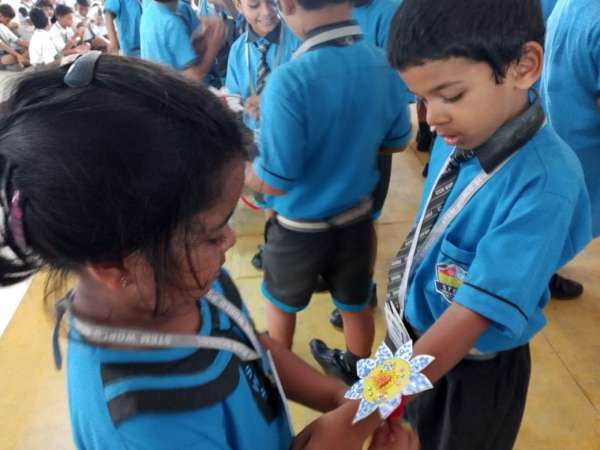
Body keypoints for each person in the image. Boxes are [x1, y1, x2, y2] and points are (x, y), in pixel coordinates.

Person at [0, 52, 417, 450]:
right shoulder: (142, 428)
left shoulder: (183, 278)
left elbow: (251, 347)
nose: (231, 242)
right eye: (213, 233)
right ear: (115, 263)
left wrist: (339, 398)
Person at [374, 0, 591, 448]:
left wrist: (369, 408)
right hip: (417, 344)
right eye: (421, 98)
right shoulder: (463, 135)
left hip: (474, 371)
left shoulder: (545, 184)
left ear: (524, 66)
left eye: (450, 96)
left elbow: (472, 314)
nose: (431, 117)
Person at [245, 0, 412, 386]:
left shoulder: (288, 80)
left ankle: (280, 374)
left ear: (286, 4)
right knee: (355, 304)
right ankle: (355, 368)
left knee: (282, 304)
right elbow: (397, 142)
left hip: (297, 229)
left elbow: (275, 181)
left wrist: (241, 168)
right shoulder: (382, 64)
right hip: (356, 220)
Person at [327, 0, 404, 329]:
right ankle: (342, 280)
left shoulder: (391, 11)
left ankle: (363, 286)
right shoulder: (328, 10)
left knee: (363, 220)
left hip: (370, 142)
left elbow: (397, 81)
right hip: (331, 138)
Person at [541, 0, 600, 292]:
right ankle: (538, 279)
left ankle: (540, 275)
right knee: (569, 222)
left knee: (557, 218)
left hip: (559, 129)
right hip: (586, 147)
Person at [225, 0, 299, 132]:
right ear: (238, 5)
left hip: (292, 132)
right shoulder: (237, 50)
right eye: (254, 5)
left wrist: (272, 101)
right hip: (252, 138)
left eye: (272, 1)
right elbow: (234, 102)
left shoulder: (298, 40)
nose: (267, 11)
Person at [140, 0, 226, 82]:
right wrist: (213, 47)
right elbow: (194, 79)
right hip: (175, 94)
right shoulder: (172, 24)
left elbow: (173, 53)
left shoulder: (148, 14)